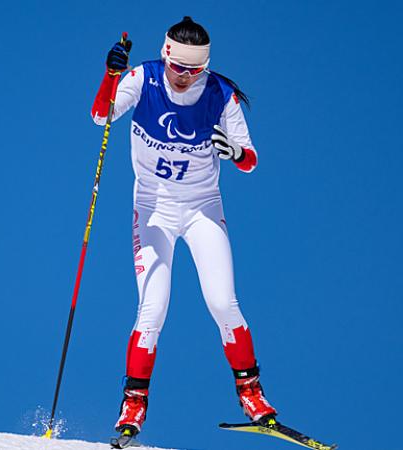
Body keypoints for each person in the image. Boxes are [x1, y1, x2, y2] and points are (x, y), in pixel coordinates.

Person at [90, 16, 276, 439]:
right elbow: (101, 116)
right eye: (178, 68)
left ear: (205, 67)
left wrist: (233, 152)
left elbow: (250, 160)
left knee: (223, 303)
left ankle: (252, 394)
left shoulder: (219, 94)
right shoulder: (145, 79)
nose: (183, 78)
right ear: (165, 57)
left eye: (193, 71)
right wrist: (111, 74)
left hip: (201, 209)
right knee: (152, 309)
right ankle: (133, 405)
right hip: (154, 209)